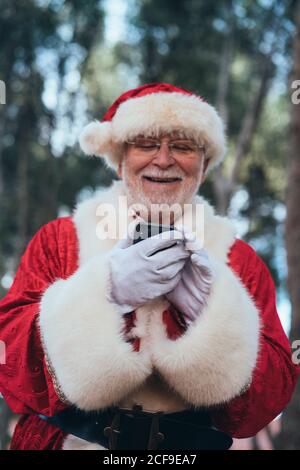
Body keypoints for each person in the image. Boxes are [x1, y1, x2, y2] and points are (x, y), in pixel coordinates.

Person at [0, 82, 298, 450]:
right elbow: (8, 359)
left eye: (184, 147)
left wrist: (214, 315)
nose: (163, 159)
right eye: (146, 144)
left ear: (203, 167)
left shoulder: (241, 261)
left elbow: (266, 403)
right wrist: (104, 291)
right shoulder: (59, 239)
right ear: (121, 160)